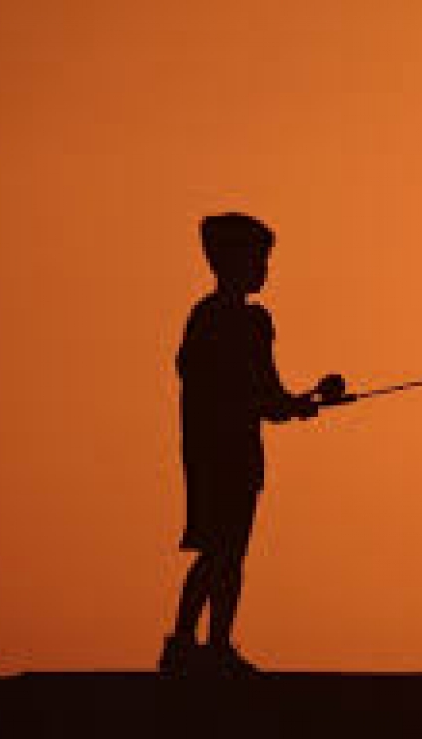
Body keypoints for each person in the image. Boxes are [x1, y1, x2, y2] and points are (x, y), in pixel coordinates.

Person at [159, 213, 327, 677]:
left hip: (235, 455)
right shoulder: (220, 320)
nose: (265, 269)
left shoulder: (242, 321)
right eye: (259, 259)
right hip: (218, 456)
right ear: (232, 262)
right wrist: (292, 405)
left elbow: (266, 394)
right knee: (220, 551)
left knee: (229, 553)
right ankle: (187, 643)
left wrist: (301, 402)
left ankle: (208, 646)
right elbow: (248, 392)